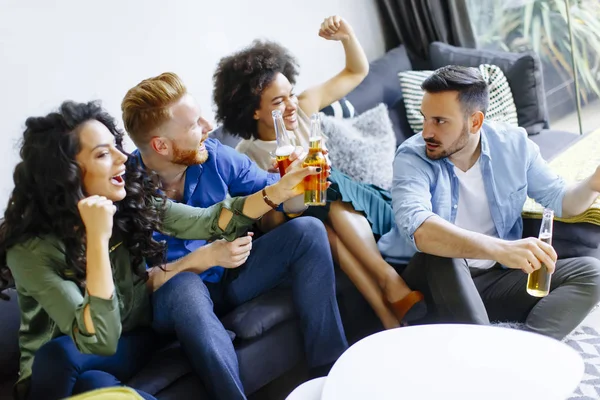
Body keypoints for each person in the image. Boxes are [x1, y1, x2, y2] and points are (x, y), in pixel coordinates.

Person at [0, 100, 331, 400]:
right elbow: (96, 336)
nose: (123, 158)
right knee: (73, 369)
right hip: (64, 365)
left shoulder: (130, 200)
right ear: (66, 174)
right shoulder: (30, 252)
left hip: (133, 341)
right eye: (103, 154)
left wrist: (277, 190)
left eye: (116, 147)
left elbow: (209, 221)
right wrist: (98, 240)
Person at [120, 72, 348, 399]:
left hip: (232, 277)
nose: (208, 125)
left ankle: (328, 377)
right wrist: (200, 260)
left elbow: (273, 193)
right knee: (185, 287)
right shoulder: (124, 189)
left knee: (308, 231)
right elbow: (135, 286)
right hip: (174, 301)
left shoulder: (214, 155)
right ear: (161, 145)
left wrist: (300, 179)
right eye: (193, 124)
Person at [212, 16, 426, 330]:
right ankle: (389, 315)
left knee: (325, 182)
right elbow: (269, 226)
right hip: (322, 225)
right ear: (253, 110)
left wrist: (347, 36)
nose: (289, 105)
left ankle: (389, 282)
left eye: (290, 93)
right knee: (317, 221)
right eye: (277, 100)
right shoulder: (246, 156)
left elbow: (356, 71)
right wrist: (280, 189)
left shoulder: (303, 107)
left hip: (365, 207)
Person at [376, 65, 600, 340]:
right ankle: (486, 354)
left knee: (591, 272)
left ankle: (531, 351)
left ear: (475, 122)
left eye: (440, 121)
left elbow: (561, 200)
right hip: (431, 284)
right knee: (443, 256)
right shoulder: (412, 157)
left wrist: (592, 185)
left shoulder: (514, 145)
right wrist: (501, 249)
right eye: (425, 119)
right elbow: (421, 230)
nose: (426, 132)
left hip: (492, 279)